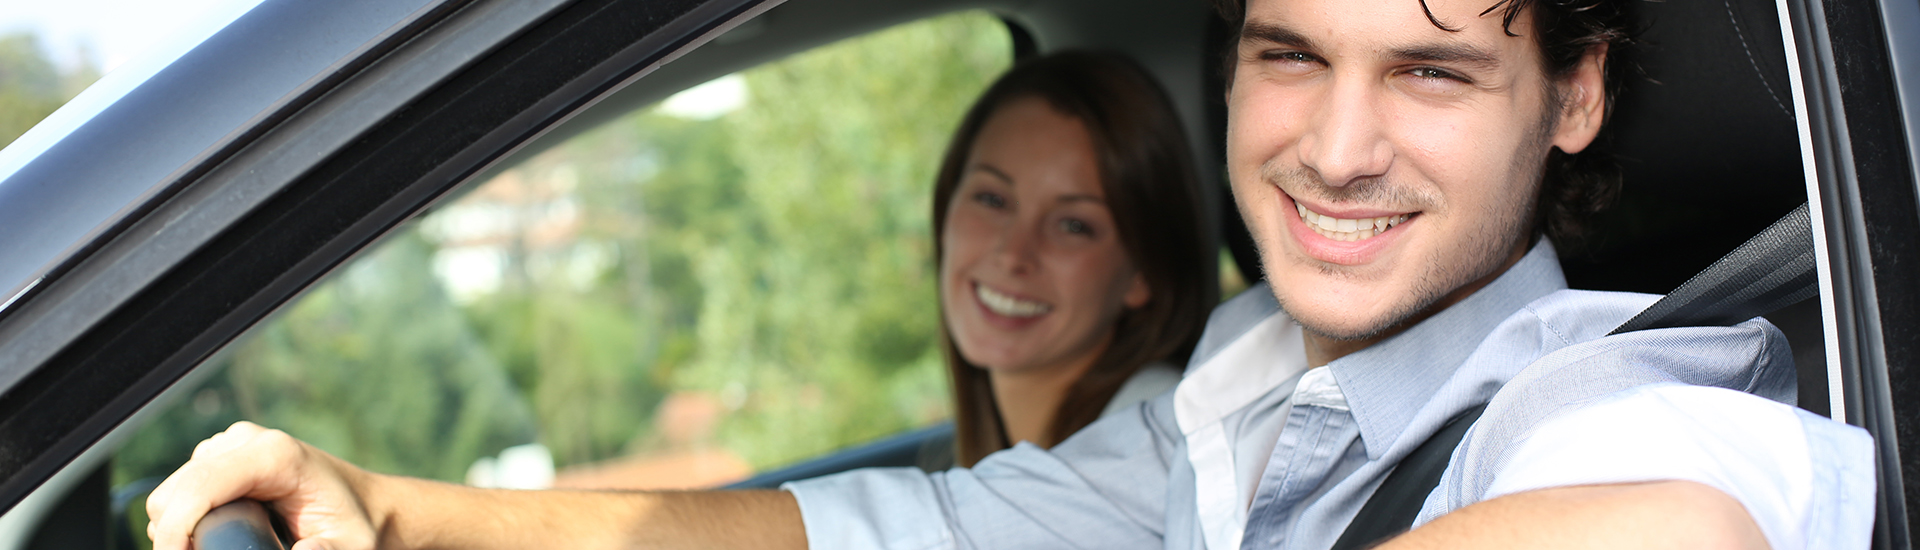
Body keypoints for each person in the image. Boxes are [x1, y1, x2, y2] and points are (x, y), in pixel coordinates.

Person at [145, 0, 1877, 548]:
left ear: (1570, 97)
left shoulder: (1631, 390)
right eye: (1290, 56)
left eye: (1431, 72)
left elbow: (1669, 516)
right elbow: (892, 528)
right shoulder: (1239, 399)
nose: (1338, 147)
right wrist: (391, 501)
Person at [928, 51, 1210, 469]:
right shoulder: (1019, 458)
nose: (1012, 254)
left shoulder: (1154, 438)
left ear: (1142, 273)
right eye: (992, 199)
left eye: (1073, 225)